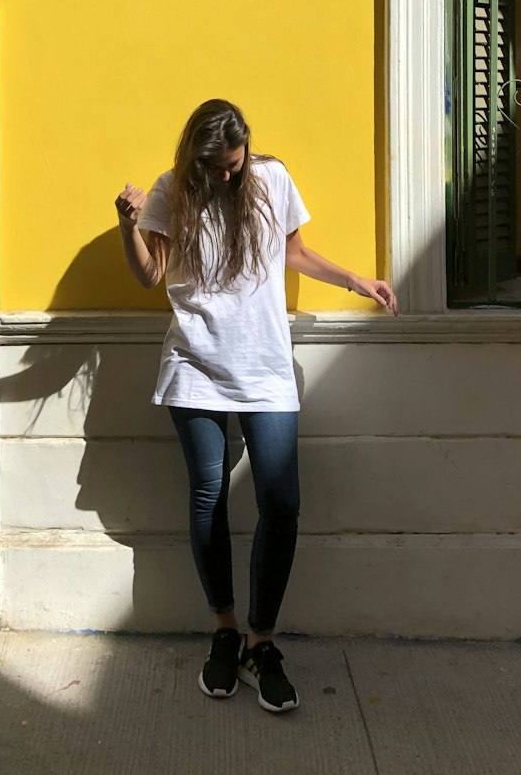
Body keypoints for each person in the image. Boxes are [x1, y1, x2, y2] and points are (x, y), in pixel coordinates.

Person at [114, 98, 398, 713]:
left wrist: (356, 280)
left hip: (265, 366)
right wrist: (129, 227)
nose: (224, 177)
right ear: (195, 156)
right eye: (213, 166)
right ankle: (222, 627)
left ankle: (260, 641)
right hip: (195, 362)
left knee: (282, 502)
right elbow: (149, 275)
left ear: (246, 152)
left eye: (232, 165)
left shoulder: (270, 178)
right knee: (208, 495)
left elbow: (293, 252)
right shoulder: (172, 190)